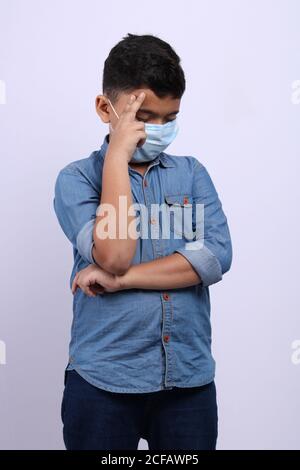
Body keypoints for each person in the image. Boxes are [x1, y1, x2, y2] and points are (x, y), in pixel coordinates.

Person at [53, 33, 233, 450]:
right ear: (105, 108)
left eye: (169, 118)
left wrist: (123, 281)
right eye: (144, 116)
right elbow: (114, 254)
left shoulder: (191, 174)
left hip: (188, 383)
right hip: (103, 384)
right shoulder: (77, 179)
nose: (157, 129)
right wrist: (117, 156)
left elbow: (214, 258)